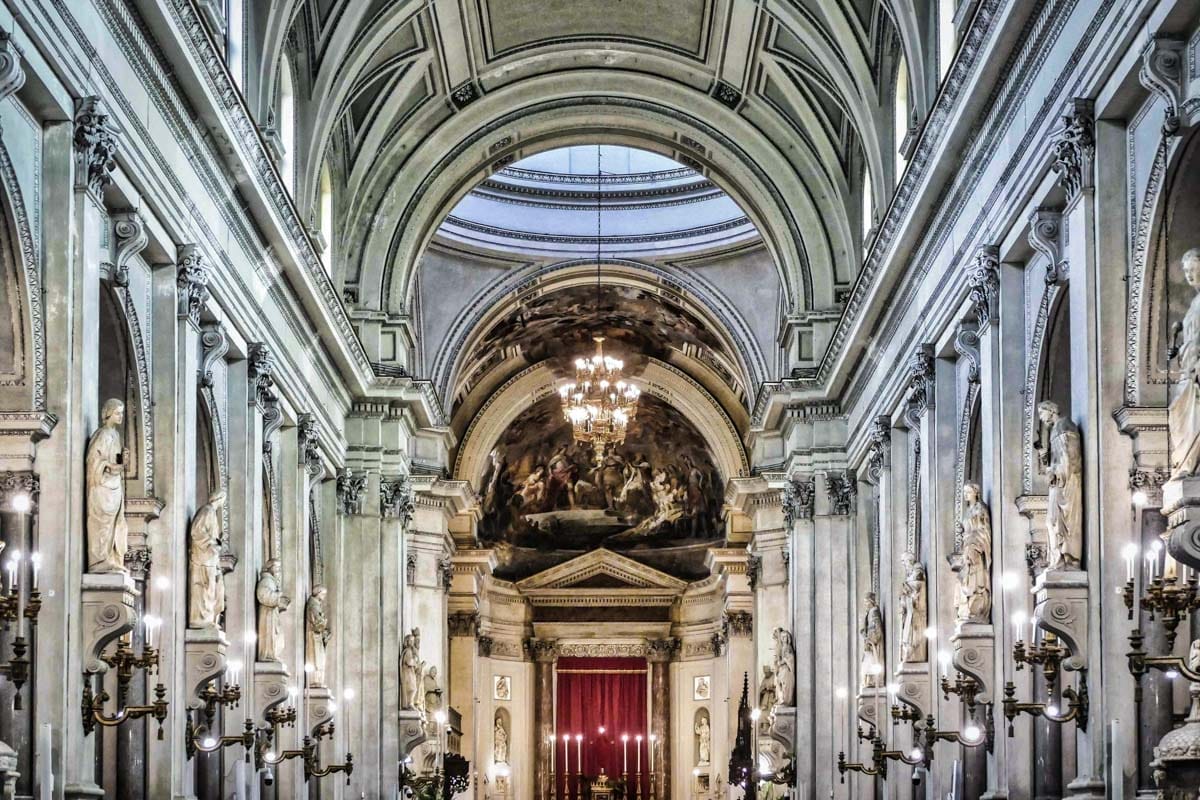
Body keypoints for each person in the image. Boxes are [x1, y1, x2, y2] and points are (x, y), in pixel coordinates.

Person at [86, 399, 128, 573]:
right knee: (102, 521)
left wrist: (122, 462)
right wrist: (110, 466)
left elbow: (115, 463)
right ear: (109, 413)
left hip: (114, 485)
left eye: (122, 413)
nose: (121, 416)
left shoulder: (116, 435)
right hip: (102, 486)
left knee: (114, 523)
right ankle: (99, 560)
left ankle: (111, 558)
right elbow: (93, 460)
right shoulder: (103, 434)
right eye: (118, 413)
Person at [188, 491, 226, 629]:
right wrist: (213, 543)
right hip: (203, 557)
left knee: (211, 589)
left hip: (210, 559)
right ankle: (201, 619)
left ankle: (207, 617)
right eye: (223, 500)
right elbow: (197, 532)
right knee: (203, 587)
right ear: (220, 499)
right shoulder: (207, 510)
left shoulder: (211, 513)